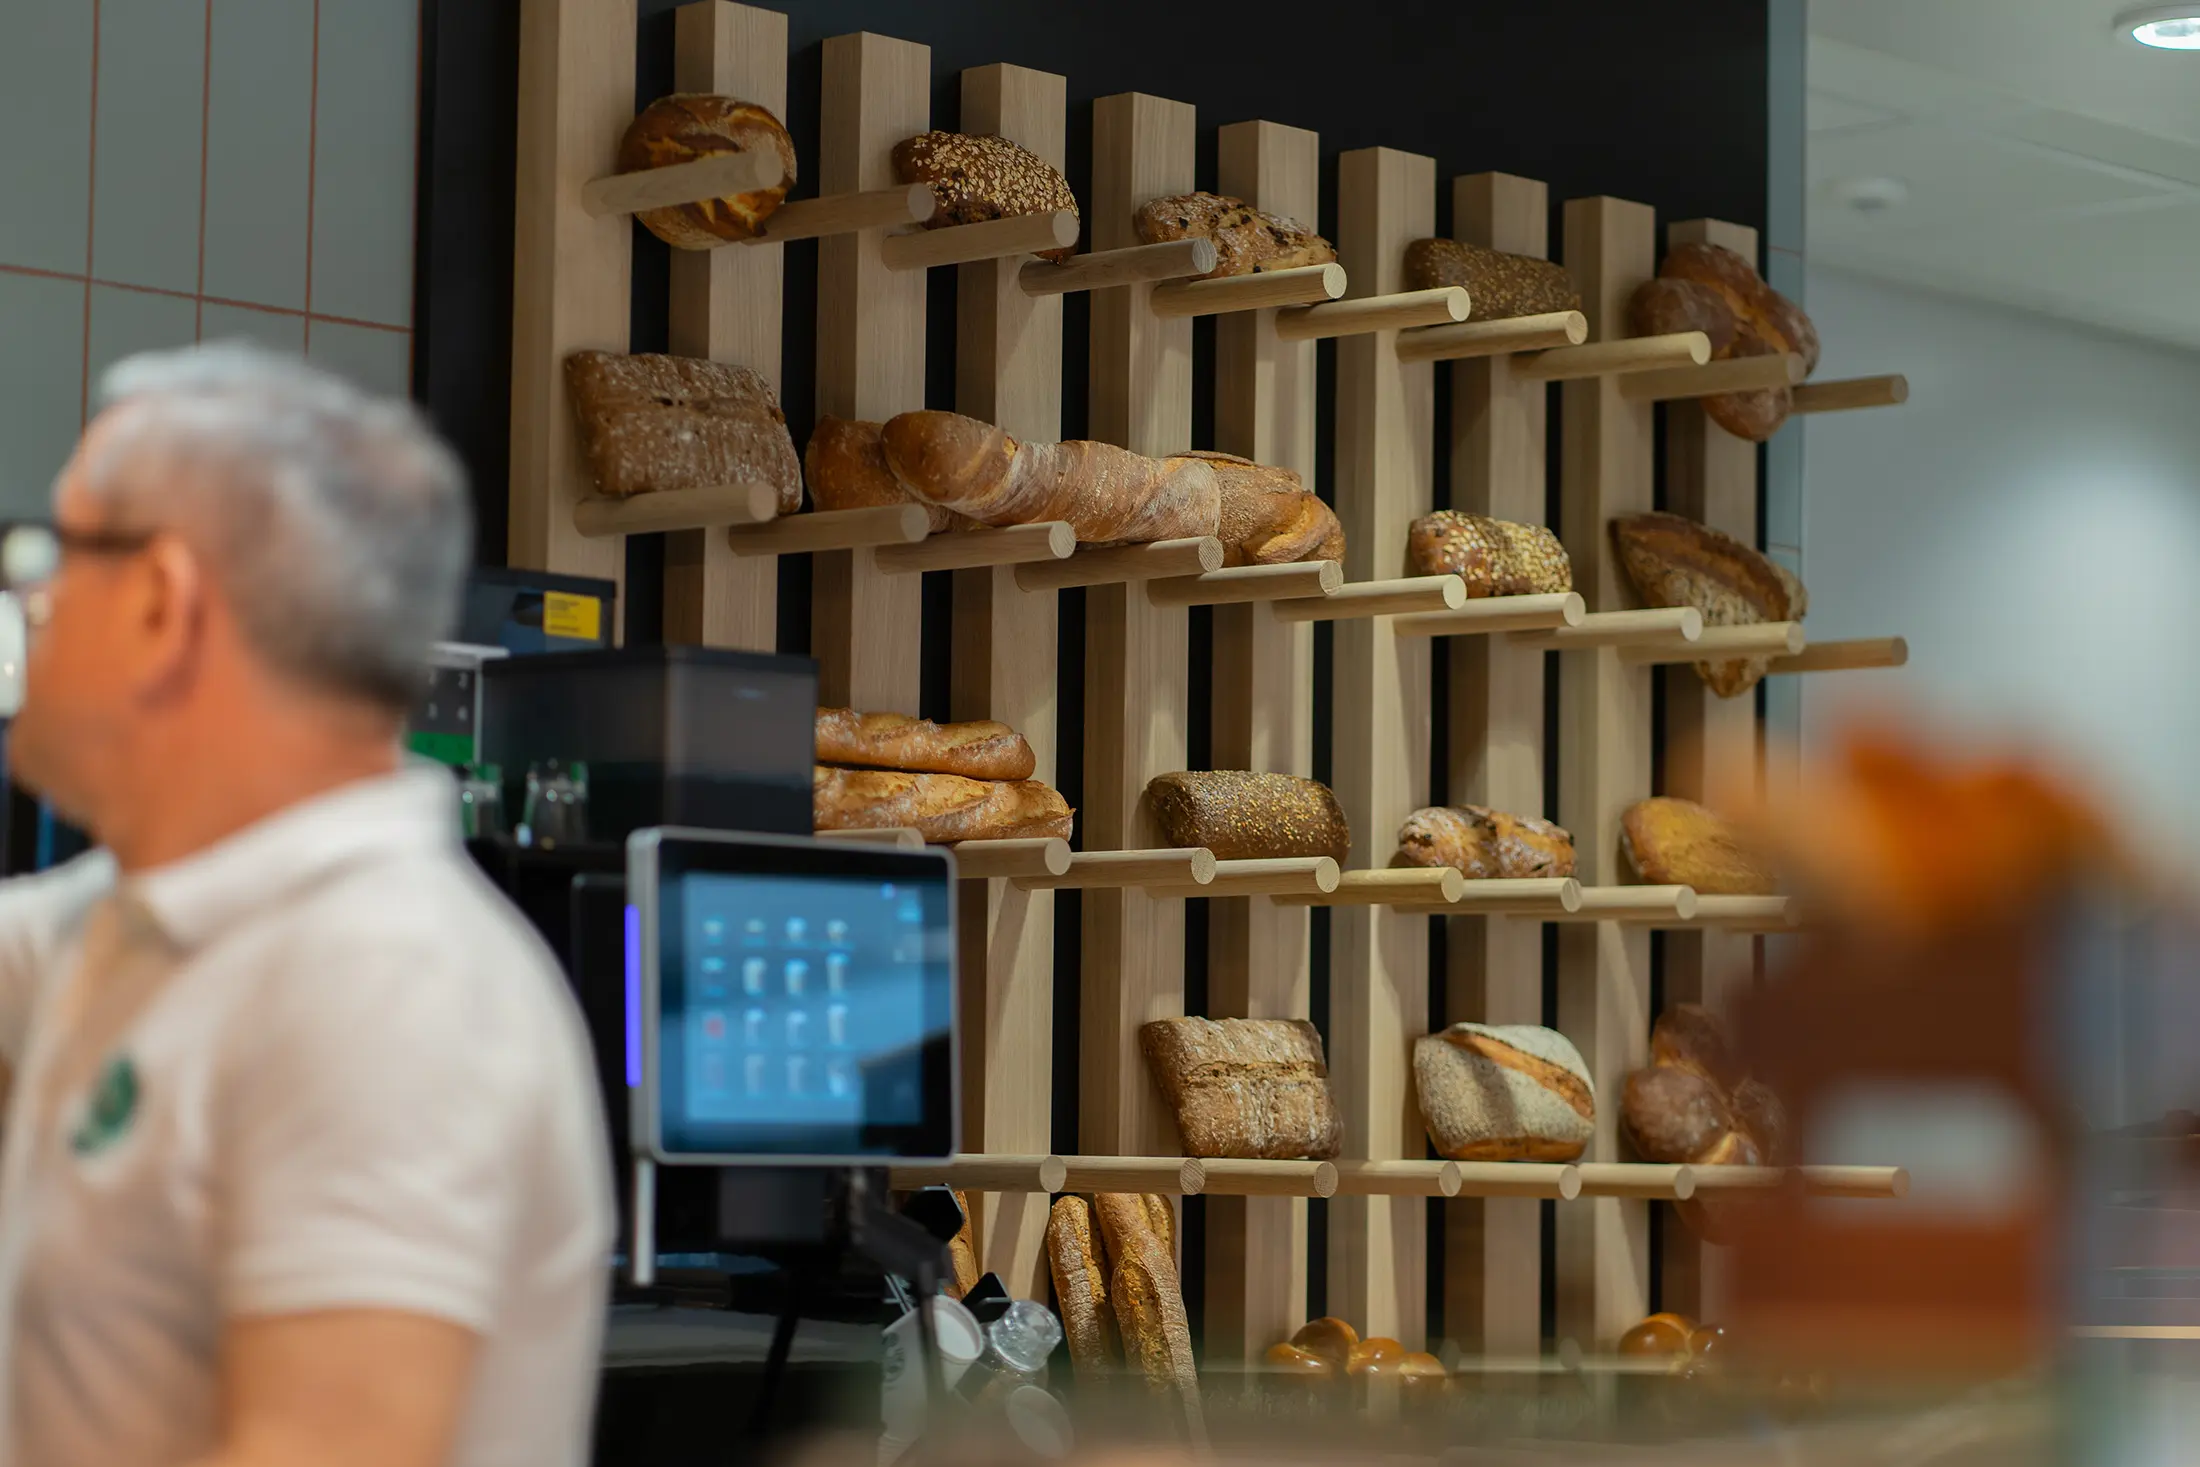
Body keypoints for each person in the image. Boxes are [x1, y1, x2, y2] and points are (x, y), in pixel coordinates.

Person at [0, 344, 613, 1467]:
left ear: (159, 603)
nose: (29, 599)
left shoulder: (390, 987)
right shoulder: (131, 918)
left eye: (58, 554)